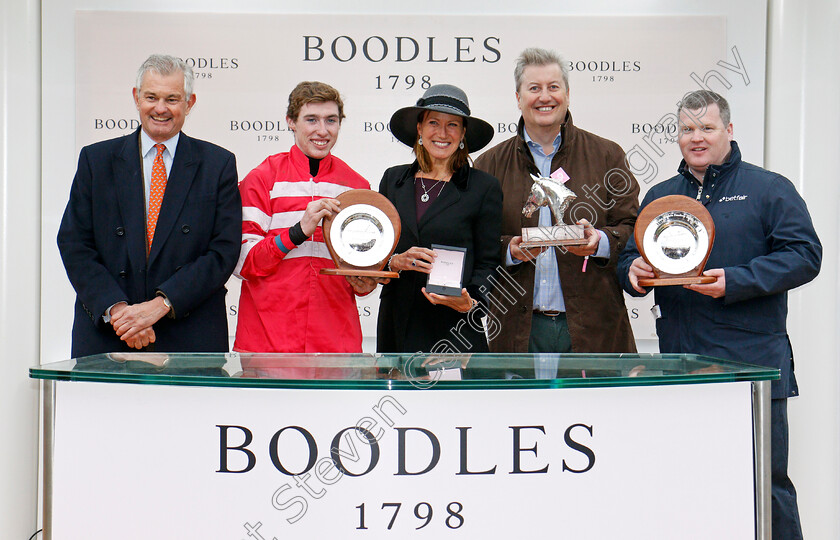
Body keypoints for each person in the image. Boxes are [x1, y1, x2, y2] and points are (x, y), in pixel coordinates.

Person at [617, 90, 821, 539]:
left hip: (752, 365)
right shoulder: (661, 195)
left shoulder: (769, 188)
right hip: (681, 364)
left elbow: (806, 255)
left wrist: (737, 280)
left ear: (729, 130)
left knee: (766, 486)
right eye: (688, 129)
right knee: (690, 484)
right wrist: (632, 270)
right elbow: (630, 259)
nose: (696, 138)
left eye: (707, 128)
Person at [57, 54, 241, 356]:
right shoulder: (96, 160)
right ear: (136, 97)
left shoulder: (218, 164)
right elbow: (74, 242)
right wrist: (119, 313)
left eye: (172, 99)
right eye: (151, 97)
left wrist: (161, 306)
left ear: (190, 102)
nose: (160, 108)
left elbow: (223, 251)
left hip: (190, 335)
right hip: (109, 333)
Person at [474, 47, 639, 354]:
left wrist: (600, 241)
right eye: (534, 88)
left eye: (553, 87)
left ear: (567, 94)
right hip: (517, 332)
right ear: (518, 97)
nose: (544, 97)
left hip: (594, 330)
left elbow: (632, 229)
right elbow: (475, 242)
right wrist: (509, 249)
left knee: (595, 405)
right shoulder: (488, 165)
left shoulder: (607, 155)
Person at [234, 81, 377, 353]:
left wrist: (366, 281)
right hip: (267, 343)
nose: (322, 131)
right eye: (311, 120)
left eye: (331, 120)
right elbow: (243, 264)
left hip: (337, 343)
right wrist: (298, 231)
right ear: (291, 121)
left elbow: (361, 275)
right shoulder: (262, 178)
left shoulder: (357, 186)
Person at [377, 84, 502, 353]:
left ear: (463, 133)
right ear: (420, 128)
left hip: (455, 326)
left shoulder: (484, 187)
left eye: (453, 125)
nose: (442, 133)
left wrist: (472, 303)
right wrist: (394, 262)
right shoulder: (392, 180)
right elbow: (378, 254)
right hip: (397, 323)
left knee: (454, 397)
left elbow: (489, 262)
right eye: (434, 122)